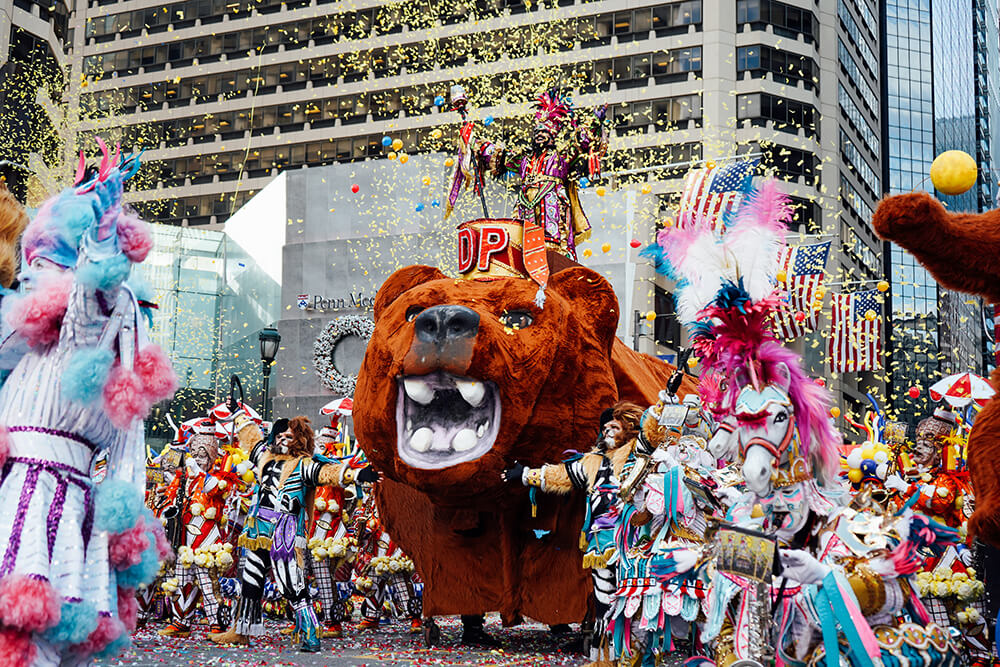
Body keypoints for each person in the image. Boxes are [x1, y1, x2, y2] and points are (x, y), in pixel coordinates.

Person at [0, 146, 173, 664]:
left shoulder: (90, 325)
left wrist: (100, 243)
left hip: (43, 498)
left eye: (42, 262)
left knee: (32, 640)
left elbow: (91, 305)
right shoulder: (30, 339)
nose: (29, 277)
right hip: (32, 493)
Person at [209, 415, 377, 652]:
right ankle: (241, 631)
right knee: (250, 581)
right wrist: (239, 417)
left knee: (292, 585)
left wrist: (358, 475)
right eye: (279, 435)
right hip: (258, 528)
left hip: (285, 530)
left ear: (299, 439)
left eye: (289, 436)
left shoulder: (304, 464)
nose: (283, 439)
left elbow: (329, 473)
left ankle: (310, 633)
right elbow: (252, 440)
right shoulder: (265, 457)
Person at [502, 401, 646, 663]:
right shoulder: (591, 462)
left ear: (629, 429)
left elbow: (655, 436)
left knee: (635, 601)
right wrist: (525, 475)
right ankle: (606, 658)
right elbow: (560, 475)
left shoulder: (642, 455)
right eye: (605, 427)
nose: (608, 431)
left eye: (615, 426)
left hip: (637, 543)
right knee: (605, 604)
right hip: (603, 545)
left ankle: (636, 654)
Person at [157, 427, 230, 636]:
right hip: (185, 541)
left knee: (208, 585)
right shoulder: (185, 480)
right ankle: (181, 622)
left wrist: (198, 472)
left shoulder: (217, 478)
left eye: (203, 456)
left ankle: (217, 623)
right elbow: (166, 467)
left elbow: (214, 488)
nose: (198, 460)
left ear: (212, 457)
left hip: (207, 541)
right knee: (181, 581)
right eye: (195, 455)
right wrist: (176, 446)